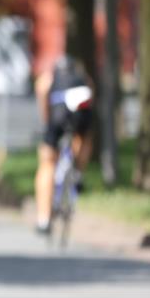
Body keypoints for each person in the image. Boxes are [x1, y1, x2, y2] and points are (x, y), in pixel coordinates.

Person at [34, 54, 95, 235]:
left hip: (57, 117)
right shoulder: (83, 77)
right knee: (85, 139)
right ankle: (78, 173)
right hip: (80, 117)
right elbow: (92, 94)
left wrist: (46, 119)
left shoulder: (50, 77)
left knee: (47, 163)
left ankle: (43, 219)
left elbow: (42, 91)